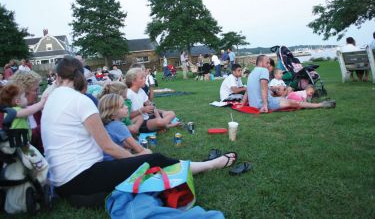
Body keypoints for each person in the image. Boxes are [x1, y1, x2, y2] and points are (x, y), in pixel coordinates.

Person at [40, 56, 237, 207]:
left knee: (135, 164)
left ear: (57, 77)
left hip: (61, 182)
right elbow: (108, 146)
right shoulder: (80, 101)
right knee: (154, 160)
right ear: (81, 76)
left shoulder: (51, 99)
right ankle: (210, 165)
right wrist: (137, 164)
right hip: (81, 176)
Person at [245, 55, 335, 113]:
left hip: (254, 105)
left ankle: (314, 102)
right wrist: (265, 105)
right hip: (265, 104)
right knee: (294, 103)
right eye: (267, 63)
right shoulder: (263, 70)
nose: (269, 65)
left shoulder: (251, 74)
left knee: (285, 98)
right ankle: (321, 105)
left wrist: (242, 103)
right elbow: (264, 88)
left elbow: (248, 90)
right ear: (260, 63)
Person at [98, 93, 151, 161]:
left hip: (103, 160)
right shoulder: (118, 126)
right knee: (148, 152)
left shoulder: (106, 124)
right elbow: (139, 149)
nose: (126, 107)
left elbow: (126, 144)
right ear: (113, 112)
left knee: (127, 148)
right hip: (113, 161)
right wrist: (144, 150)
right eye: (122, 106)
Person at [125, 68, 180, 132]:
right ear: (133, 81)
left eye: (144, 78)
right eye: (142, 78)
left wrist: (157, 110)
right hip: (139, 122)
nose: (145, 80)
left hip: (147, 117)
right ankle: (165, 125)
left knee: (171, 113)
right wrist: (142, 110)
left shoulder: (141, 91)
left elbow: (150, 105)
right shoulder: (128, 94)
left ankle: (163, 124)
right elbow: (127, 117)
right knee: (159, 122)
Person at [8, 70, 44, 153]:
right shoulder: (9, 113)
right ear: (23, 92)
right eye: (35, 90)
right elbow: (24, 141)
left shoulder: (35, 110)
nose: (38, 93)